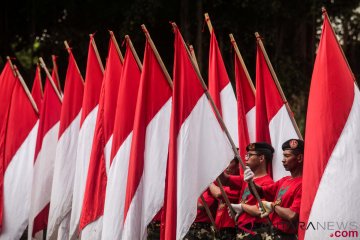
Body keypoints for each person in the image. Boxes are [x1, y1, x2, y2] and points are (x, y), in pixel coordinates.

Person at [243, 139, 304, 240]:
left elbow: (292, 215)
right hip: (272, 232)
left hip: (286, 236)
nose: (283, 160)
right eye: (283, 156)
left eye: (287, 156)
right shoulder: (284, 180)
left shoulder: (303, 184)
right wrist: (250, 182)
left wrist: (272, 206)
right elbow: (260, 192)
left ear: (300, 158)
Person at [228, 142, 274, 240]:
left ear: (261, 158)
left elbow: (260, 210)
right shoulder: (246, 179)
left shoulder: (268, 183)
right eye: (246, 155)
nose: (246, 158)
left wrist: (241, 207)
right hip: (242, 229)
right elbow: (225, 179)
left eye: (250, 155)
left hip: (256, 230)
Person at [209, 158, 241, 240]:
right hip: (219, 227)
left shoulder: (238, 184)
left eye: (230, 162)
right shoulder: (219, 183)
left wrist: (208, 182)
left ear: (237, 165)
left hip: (231, 228)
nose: (226, 166)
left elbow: (218, 193)